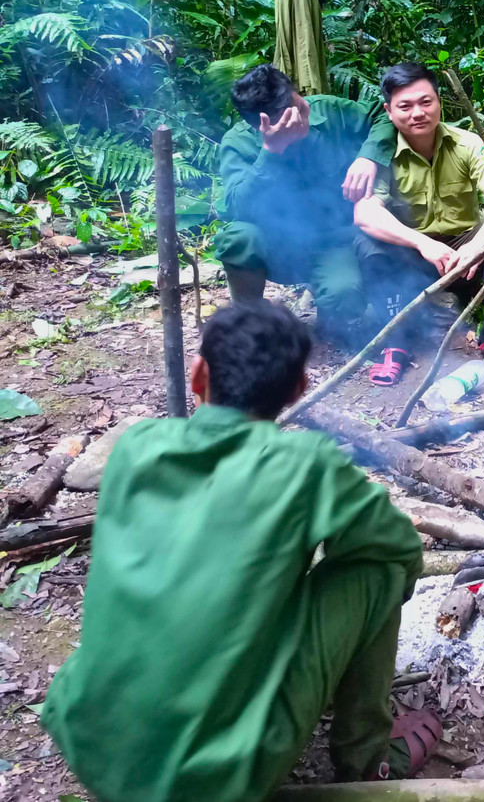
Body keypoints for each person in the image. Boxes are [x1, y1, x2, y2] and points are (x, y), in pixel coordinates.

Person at [42, 301, 438, 802]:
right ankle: (367, 761)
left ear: (198, 374)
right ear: (298, 389)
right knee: (380, 569)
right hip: (211, 782)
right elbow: (401, 548)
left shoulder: (136, 446)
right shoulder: (305, 464)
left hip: (90, 742)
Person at [353, 63, 484, 380]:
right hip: (413, 261)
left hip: (467, 257)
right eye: (405, 106)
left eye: (426, 102)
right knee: (368, 242)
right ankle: (396, 341)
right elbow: (364, 212)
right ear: (388, 111)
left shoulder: (467, 143)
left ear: (439, 101)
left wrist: (477, 246)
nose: (418, 113)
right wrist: (422, 243)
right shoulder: (381, 155)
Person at [214, 64, 392, 344]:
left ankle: (330, 314)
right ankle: (249, 316)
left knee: (344, 297)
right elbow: (238, 207)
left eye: (297, 106)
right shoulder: (238, 142)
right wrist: (271, 151)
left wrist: (368, 157)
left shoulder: (330, 111)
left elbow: (384, 115)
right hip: (276, 246)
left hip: (332, 243)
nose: (298, 119)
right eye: (285, 119)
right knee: (238, 238)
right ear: (259, 125)